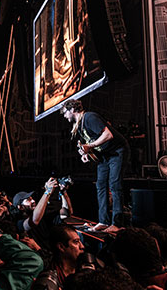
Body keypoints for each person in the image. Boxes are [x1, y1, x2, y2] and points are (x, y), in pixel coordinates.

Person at [60, 99, 127, 233]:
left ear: (72, 110)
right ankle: (103, 221)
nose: (64, 115)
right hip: (104, 155)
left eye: (65, 112)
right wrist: (87, 153)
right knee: (100, 185)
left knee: (114, 184)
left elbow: (108, 134)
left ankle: (117, 224)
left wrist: (89, 146)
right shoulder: (79, 126)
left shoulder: (89, 117)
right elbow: (90, 143)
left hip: (116, 151)